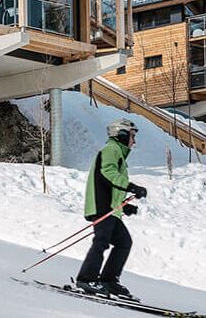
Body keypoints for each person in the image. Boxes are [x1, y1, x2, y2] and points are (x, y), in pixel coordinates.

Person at [77, 117, 148, 300]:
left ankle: (108, 280)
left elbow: (111, 185)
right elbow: (108, 173)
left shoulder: (118, 152)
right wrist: (132, 187)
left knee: (124, 242)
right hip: (102, 207)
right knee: (101, 241)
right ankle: (86, 279)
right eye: (132, 136)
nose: (134, 140)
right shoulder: (111, 149)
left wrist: (124, 207)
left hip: (111, 209)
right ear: (122, 134)